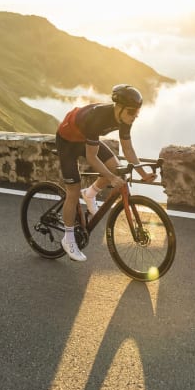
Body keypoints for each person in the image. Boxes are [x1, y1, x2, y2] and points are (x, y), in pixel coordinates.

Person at [54, 83, 156, 261]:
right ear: (119, 107)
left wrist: (143, 174)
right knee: (73, 190)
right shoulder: (97, 118)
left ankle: (91, 193)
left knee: (116, 166)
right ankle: (68, 239)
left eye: (137, 112)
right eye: (131, 112)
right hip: (68, 142)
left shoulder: (125, 119)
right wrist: (111, 179)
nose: (135, 116)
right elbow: (92, 158)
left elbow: (128, 150)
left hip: (83, 138)